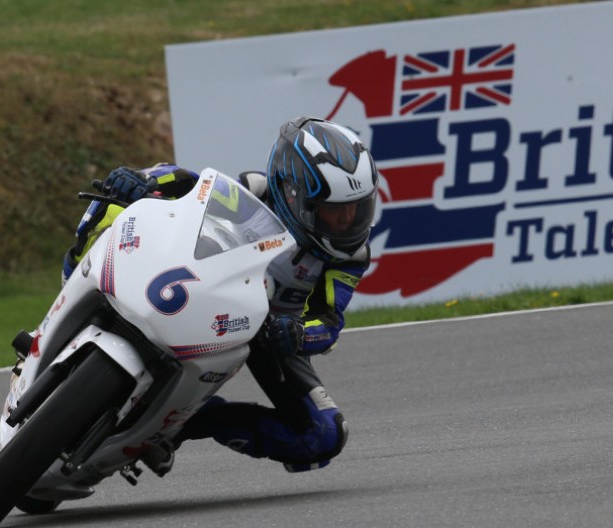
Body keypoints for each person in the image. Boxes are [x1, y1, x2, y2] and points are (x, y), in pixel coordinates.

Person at [61, 116, 378, 475]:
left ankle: (180, 424)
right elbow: (187, 182)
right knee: (116, 204)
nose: (348, 220)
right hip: (207, 289)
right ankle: (66, 303)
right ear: (293, 194)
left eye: (357, 208)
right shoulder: (254, 191)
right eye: (334, 210)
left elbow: (329, 319)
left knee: (325, 435)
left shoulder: (351, 256)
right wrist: (144, 181)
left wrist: (299, 333)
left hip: (271, 333)